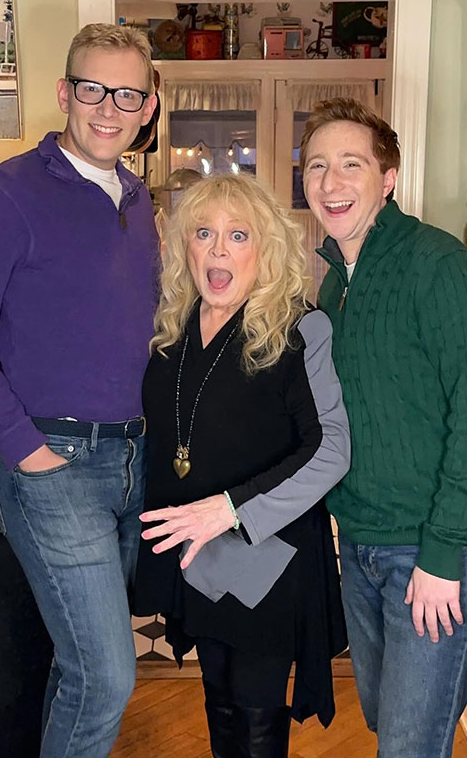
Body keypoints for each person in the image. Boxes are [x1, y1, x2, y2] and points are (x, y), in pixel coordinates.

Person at [0, 24, 159, 758]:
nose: (107, 108)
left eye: (126, 94)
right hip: (52, 461)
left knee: (81, 669)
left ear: (148, 107)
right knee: (107, 675)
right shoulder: (6, 194)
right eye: (91, 88)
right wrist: (28, 453)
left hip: (130, 463)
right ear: (65, 92)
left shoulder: (139, 199)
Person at [300, 97, 467, 757]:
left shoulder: (438, 266)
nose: (330, 183)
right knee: (389, 726)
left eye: (350, 165)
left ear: (387, 178)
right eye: (316, 167)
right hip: (363, 544)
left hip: (436, 549)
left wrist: (444, 554)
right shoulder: (337, 283)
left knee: (409, 745)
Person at [133, 173, 350, 757]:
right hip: (200, 554)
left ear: (267, 249)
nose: (219, 250)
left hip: (268, 557)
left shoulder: (300, 328)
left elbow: (331, 449)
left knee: (255, 713)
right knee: (219, 701)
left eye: (238, 235)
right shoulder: (172, 329)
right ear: (187, 247)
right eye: (204, 233)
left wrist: (229, 509)